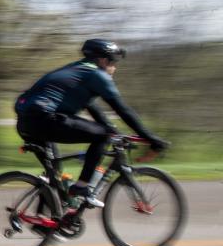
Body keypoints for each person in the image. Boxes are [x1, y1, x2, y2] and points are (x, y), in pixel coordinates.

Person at [15, 39, 168, 208]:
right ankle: (81, 186)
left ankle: (47, 223)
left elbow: (92, 107)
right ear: (103, 60)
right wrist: (151, 139)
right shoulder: (97, 74)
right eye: (114, 62)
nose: (114, 68)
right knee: (103, 136)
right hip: (46, 119)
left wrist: (112, 129)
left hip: (25, 123)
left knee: (55, 175)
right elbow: (123, 110)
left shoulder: (77, 70)